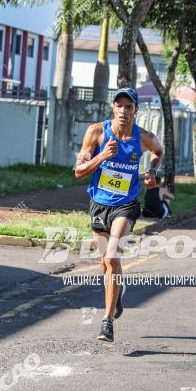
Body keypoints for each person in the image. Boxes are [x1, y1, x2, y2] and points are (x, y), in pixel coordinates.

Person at [74, 88, 163, 342]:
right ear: (113, 107)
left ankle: (107, 321)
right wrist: (102, 155)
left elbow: (158, 152)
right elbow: (78, 172)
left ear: (136, 110)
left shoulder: (144, 137)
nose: (123, 111)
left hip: (127, 205)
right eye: (119, 105)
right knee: (105, 264)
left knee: (113, 257)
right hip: (99, 204)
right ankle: (118, 291)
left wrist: (152, 171)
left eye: (129, 106)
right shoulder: (97, 132)